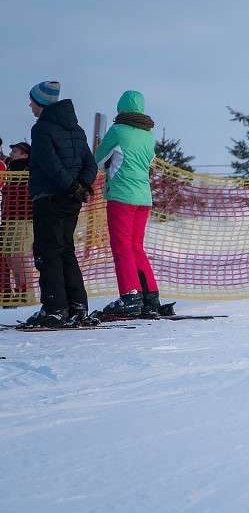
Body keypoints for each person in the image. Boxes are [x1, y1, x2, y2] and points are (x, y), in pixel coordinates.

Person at [25, 80, 97, 327]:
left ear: (41, 103)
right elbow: (91, 163)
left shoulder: (42, 128)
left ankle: (54, 307)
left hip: (50, 198)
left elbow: (49, 164)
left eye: (32, 101)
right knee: (66, 249)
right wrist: (80, 186)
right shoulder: (76, 129)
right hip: (70, 200)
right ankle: (77, 305)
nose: (30, 106)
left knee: (48, 252)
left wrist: (70, 185)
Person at [94, 90, 161, 317]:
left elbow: (99, 160)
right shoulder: (149, 135)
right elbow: (148, 162)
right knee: (135, 246)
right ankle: (150, 294)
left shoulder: (117, 131)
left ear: (120, 108)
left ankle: (131, 295)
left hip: (122, 196)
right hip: (144, 197)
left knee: (122, 246)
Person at [1, 142, 35, 306]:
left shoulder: (27, 169)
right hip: (10, 218)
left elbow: (25, 192)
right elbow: (6, 160)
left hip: (24, 219)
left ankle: (27, 294)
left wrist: (7, 190)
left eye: (15, 151)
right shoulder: (13, 167)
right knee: (10, 256)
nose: (12, 154)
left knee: (19, 256)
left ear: (25, 155)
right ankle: (19, 291)